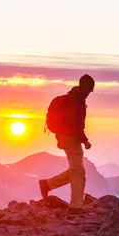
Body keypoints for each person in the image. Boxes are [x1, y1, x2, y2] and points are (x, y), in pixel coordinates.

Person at [39, 74, 95, 214]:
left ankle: (47, 184)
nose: (90, 92)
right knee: (78, 171)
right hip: (71, 137)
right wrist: (85, 141)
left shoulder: (72, 97)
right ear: (85, 86)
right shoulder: (77, 100)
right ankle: (75, 206)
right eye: (90, 89)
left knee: (76, 169)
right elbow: (76, 125)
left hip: (64, 136)